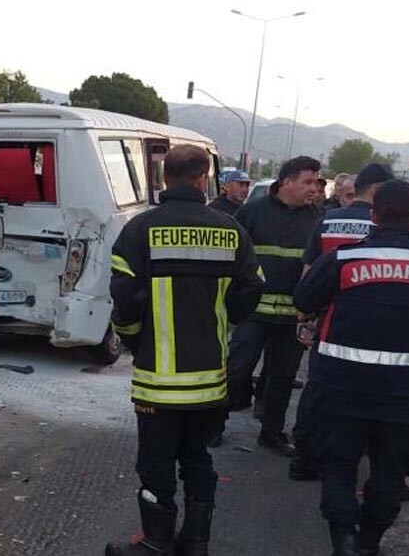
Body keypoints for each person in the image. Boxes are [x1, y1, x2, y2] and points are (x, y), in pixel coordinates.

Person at [105, 145, 264, 556]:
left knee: (156, 463)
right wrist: (224, 321)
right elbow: (252, 288)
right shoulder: (231, 231)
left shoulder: (140, 230)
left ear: (163, 179)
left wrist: (133, 337)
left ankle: (156, 543)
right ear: (202, 178)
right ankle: (195, 541)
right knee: (197, 458)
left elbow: (123, 298)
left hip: (158, 382)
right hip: (210, 381)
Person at [295, 180, 409, 556]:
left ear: (373, 216)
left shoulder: (345, 259)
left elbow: (304, 298)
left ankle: (345, 540)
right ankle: (369, 541)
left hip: (342, 385)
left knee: (338, 464)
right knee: (390, 470)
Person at [289, 163, 394, 482]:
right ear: (376, 190)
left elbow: (308, 272)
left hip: (328, 319)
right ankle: (361, 460)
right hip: (373, 322)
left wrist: (304, 318)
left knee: (318, 389)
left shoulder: (328, 220)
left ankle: (304, 458)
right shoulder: (384, 226)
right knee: (371, 394)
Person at [224, 156, 322, 455]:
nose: (314, 188)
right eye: (307, 181)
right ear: (286, 182)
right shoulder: (252, 213)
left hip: (292, 317)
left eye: (317, 182)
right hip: (253, 313)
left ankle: (272, 433)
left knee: (282, 377)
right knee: (237, 370)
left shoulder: (317, 219)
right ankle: (213, 424)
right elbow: (233, 259)